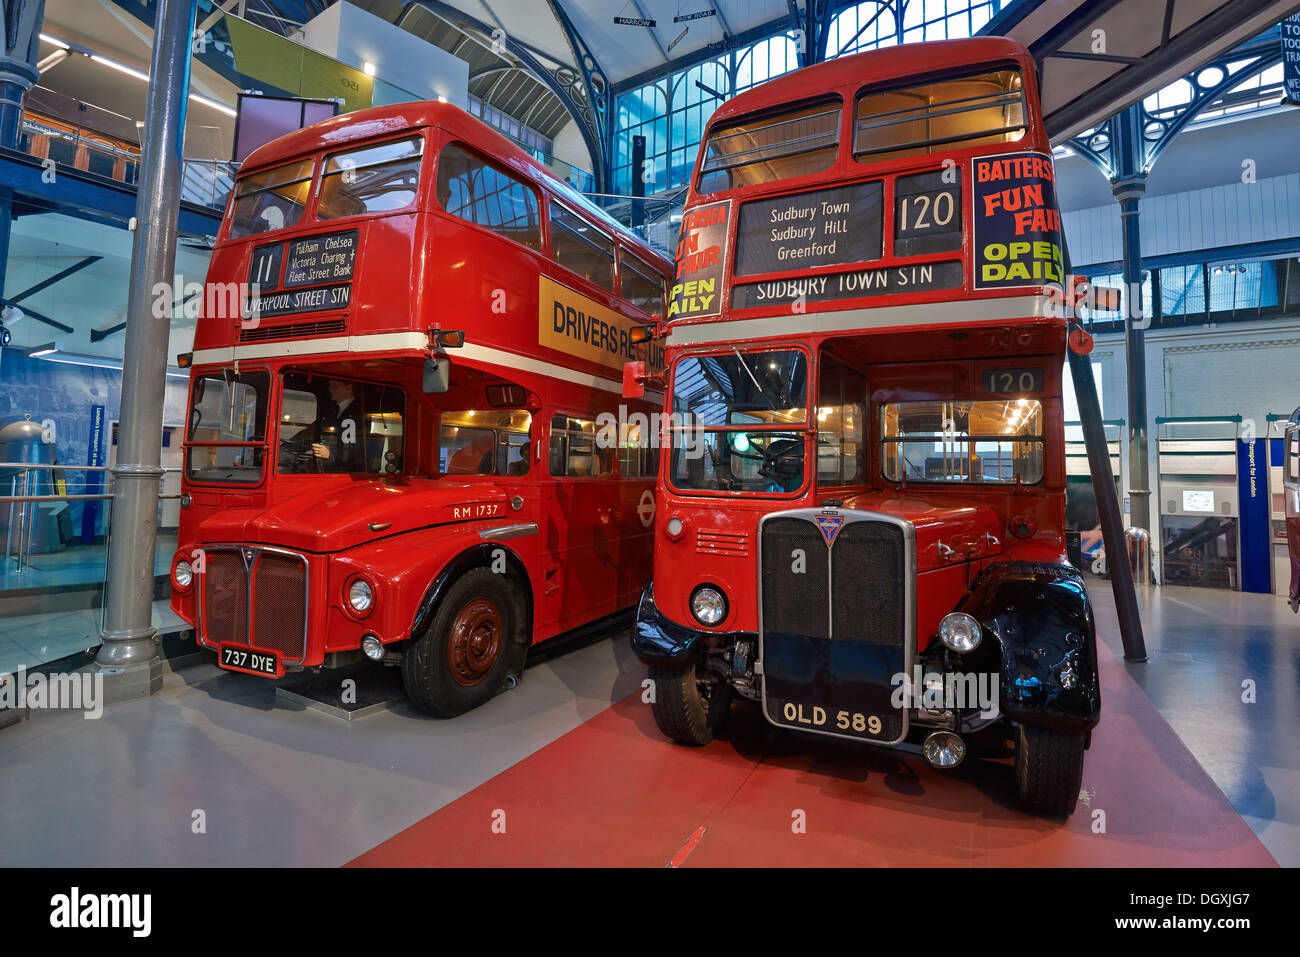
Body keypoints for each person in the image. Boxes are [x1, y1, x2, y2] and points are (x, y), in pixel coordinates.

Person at [312, 379, 365, 472]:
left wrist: (330, 455)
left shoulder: (356, 414)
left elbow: (351, 450)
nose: (330, 389)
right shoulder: (334, 411)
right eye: (330, 385)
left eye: (335, 385)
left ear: (349, 388)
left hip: (345, 472)